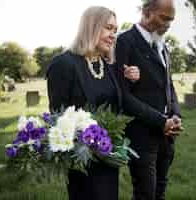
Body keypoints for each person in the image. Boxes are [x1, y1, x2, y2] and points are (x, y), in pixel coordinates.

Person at [46, 6, 139, 200]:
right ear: (91, 27)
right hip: (82, 161)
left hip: (108, 157)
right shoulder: (63, 64)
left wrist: (130, 80)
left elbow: (117, 104)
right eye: (108, 28)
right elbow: (58, 117)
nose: (113, 35)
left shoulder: (107, 65)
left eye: (115, 30)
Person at [115, 0, 182, 199]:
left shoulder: (163, 45)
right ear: (146, 12)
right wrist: (162, 121)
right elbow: (124, 97)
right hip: (141, 135)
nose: (168, 24)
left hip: (167, 135)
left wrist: (176, 115)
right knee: (145, 194)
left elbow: (168, 86)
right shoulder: (124, 42)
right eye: (164, 18)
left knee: (160, 190)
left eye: (171, 20)